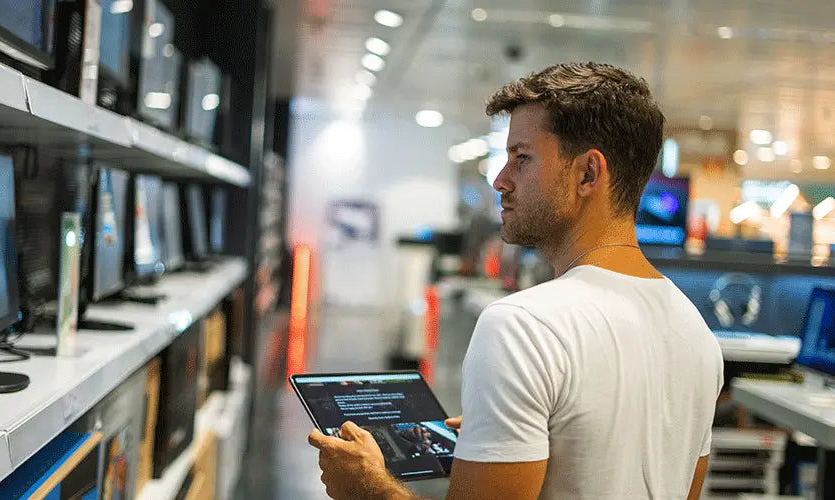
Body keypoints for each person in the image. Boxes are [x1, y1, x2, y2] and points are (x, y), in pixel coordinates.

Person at [308, 62, 724, 500]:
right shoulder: (695, 333)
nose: (500, 180)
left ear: (588, 174)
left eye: (522, 158)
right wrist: (509, 438)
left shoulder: (522, 325)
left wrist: (368, 486)